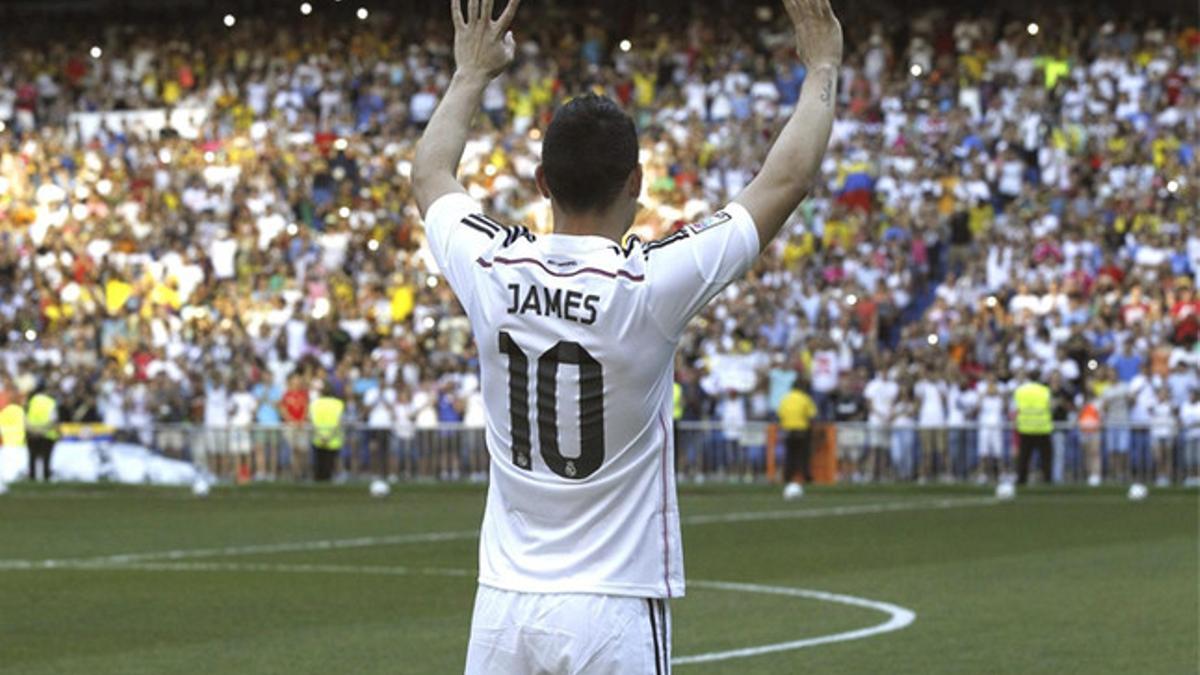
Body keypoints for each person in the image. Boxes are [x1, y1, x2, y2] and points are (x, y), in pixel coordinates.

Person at [411, 0, 841, 670]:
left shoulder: (489, 266)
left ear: (542, 182)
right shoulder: (647, 286)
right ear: (636, 182)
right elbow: (784, 180)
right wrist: (823, 65)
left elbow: (431, 173)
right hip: (611, 606)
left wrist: (471, 75)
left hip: (503, 605)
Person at [778, 377, 818, 497]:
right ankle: (806, 476)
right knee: (803, 455)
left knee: (789, 455)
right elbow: (812, 415)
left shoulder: (785, 398)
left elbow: (780, 414)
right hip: (801, 430)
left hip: (788, 430)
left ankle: (787, 477)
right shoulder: (805, 398)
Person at [1013, 369, 1053, 486]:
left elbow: (1016, 408)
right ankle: (1047, 480)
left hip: (1025, 428)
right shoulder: (1045, 391)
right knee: (1046, 457)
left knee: (1024, 457)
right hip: (1042, 428)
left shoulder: (1020, 391)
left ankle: (1021, 480)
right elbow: (1049, 407)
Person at [309, 384, 346, 482]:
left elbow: (312, 422)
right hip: (333, 439)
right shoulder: (338, 404)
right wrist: (329, 436)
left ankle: (319, 480)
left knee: (319, 463)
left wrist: (321, 435)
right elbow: (339, 422)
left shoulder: (315, 403)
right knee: (330, 464)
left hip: (318, 438)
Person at [26, 385, 59, 482]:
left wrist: (35, 430)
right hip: (47, 434)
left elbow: (26, 419)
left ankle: (32, 478)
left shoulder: (31, 402)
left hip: (32, 434)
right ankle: (46, 477)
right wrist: (43, 430)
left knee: (32, 457)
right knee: (47, 458)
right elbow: (53, 420)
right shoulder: (51, 402)